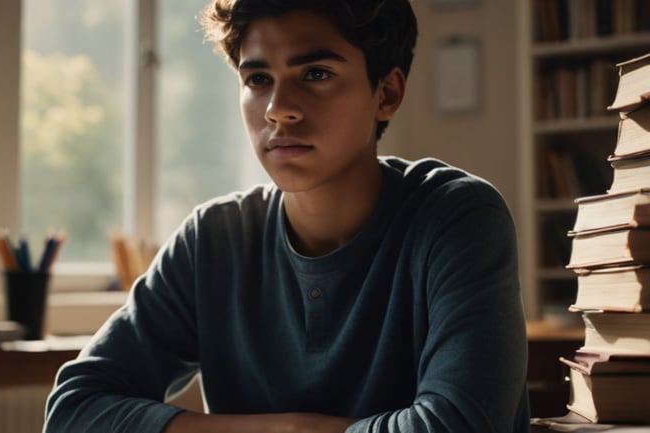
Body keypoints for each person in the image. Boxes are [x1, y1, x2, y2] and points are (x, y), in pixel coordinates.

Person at [43, 0, 530, 432]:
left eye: (315, 73)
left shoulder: (457, 217)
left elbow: (461, 425)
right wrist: (290, 428)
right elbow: (73, 411)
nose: (278, 110)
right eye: (257, 79)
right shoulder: (213, 239)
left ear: (387, 94)